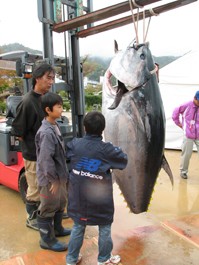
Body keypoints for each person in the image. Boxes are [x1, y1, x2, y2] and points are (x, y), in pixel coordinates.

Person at [66, 111, 128, 265]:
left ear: (84, 127)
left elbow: (65, 155)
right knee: (104, 227)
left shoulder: (74, 144)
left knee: (78, 227)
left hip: (78, 197)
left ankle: (71, 259)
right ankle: (104, 259)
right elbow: (123, 160)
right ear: (103, 129)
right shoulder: (107, 150)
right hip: (100, 199)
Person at [11, 63, 55, 230]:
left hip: (46, 153)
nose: (51, 82)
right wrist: (32, 144)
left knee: (46, 187)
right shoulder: (28, 101)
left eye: (53, 78)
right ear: (37, 78)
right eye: (48, 78)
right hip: (34, 154)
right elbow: (18, 131)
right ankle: (32, 218)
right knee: (35, 188)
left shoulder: (46, 99)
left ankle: (45, 216)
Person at [35, 92, 71, 252]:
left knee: (60, 203)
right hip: (50, 180)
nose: (62, 109)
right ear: (48, 110)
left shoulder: (54, 126)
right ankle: (47, 240)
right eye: (59, 106)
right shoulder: (46, 132)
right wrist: (54, 181)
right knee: (48, 207)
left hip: (59, 177)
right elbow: (45, 160)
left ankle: (57, 229)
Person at [172, 90, 199, 179]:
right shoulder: (187, 105)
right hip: (188, 135)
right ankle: (183, 171)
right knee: (186, 154)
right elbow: (175, 112)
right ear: (195, 98)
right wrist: (179, 124)